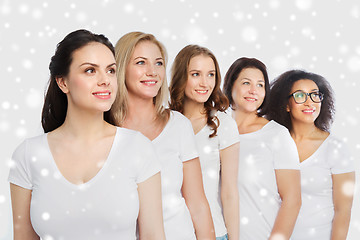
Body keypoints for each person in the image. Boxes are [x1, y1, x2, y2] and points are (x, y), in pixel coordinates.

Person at [8, 29, 165, 240]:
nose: (105, 80)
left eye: (110, 70)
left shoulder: (138, 148)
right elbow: (22, 237)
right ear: (63, 82)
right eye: (90, 71)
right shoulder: (28, 155)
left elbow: (153, 235)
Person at [114, 32, 215, 240]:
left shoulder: (178, 126)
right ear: (121, 68)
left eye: (158, 63)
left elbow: (197, 204)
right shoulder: (105, 129)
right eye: (141, 62)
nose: (152, 72)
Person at [267, 70, 355, 240]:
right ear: (286, 105)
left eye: (315, 95)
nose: (309, 103)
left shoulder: (335, 148)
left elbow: (343, 211)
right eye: (300, 96)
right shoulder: (272, 144)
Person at [223, 57, 302, 240]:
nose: (253, 90)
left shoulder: (276, 135)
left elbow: (292, 200)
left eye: (260, 85)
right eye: (246, 83)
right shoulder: (216, 131)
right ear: (230, 86)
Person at [169, 45, 239, 240]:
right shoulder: (165, 122)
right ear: (181, 77)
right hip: (171, 233)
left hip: (213, 233)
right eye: (196, 74)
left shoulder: (223, 124)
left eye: (211, 74)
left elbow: (229, 192)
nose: (204, 83)